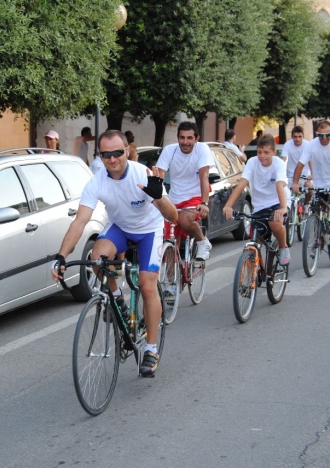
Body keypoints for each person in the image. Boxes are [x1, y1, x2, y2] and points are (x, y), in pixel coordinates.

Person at [51, 130, 177, 377]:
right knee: (97, 259)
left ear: (128, 150)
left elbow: (172, 216)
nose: (112, 159)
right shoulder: (97, 181)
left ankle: (151, 348)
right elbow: (80, 222)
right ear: (100, 155)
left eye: (117, 153)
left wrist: (157, 197)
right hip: (121, 227)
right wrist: (62, 256)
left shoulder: (143, 174)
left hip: (149, 230)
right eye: (106, 154)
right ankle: (116, 295)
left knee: (147, 285)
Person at [223, 133, 290, 265]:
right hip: (259, 206)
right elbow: (242, 183)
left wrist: (282, 208)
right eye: (259, 152)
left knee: (275, 223)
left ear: (274, 152)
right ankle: (259, 272)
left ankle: (283, 247)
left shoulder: (279, 164)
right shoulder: (252, 162)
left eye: (266, 152)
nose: (262, 156)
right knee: (254, 245)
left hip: (278, 202)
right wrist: (228, 205)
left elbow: (279, 186)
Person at [156, 121, 215, 261]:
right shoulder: (169, 150)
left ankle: (202, 242)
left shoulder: (202, 149)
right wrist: (156, 199)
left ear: (197, 139)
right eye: (182, 137)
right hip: (174, 199)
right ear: (177, 138)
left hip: (195, 196)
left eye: (189, 138)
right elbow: (159, 177)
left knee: (185, 220)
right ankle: (172, 281)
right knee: (169, 244)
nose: (185, 142)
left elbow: (204, 176)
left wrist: (204, 202)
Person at [291, 120, 330, 228]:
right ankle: (321, 235)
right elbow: (300, 164)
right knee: (316, 207)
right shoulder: (311, 145)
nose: (324, 138)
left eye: (327, 135)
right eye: (321, 135)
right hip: (319, 181)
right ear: (316, 134)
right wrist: (295, 183)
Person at [281, 126, 313, 201]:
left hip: (305, 176)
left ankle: (306, 205)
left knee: (310, 188)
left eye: (299, 136)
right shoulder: (287, 145)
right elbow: (283, 160)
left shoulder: (307, 145)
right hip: (291, 176)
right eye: (295, 137)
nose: (297, 139)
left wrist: (312, 174)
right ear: (291, 136)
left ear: (303, 136)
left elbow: (310, 160)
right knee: (283, 191)